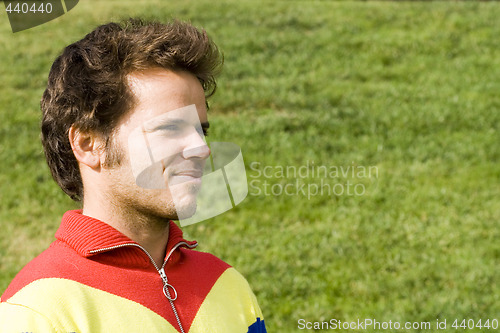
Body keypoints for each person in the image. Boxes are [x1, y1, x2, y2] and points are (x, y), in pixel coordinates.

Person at [0, 19, 267, 333]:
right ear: (87, 144)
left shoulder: (226, 284)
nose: (201, 148)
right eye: (170, 129)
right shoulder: (38, 313)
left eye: (201, 131)